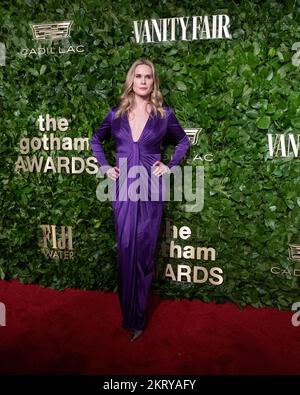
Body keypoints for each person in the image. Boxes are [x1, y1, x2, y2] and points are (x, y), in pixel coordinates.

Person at [90, 58, 190, 342]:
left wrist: (169, 166)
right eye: (138, 76)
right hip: (123, 188)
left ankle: (138, 320)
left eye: (148, 77)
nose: (143, 81)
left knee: (144, 253)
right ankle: (128, 314)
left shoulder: (164, 115)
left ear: (153, 82)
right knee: (125, 249)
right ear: (130, 81)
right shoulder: (116, 114)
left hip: (151, 188)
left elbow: (183, 141)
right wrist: (106, 166)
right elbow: (96, 139)